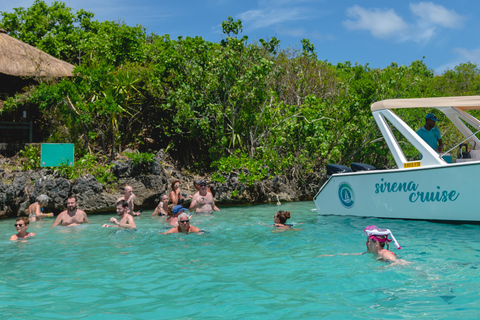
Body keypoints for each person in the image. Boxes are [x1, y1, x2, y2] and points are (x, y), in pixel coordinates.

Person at [318, 225, 405, 264]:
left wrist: (382, 269)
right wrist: (332, 255)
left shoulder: (385, 253)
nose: (366, 243)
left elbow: (396, 262)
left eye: (368, 241)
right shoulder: (373, 253)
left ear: (376, 243)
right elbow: (356, 254)